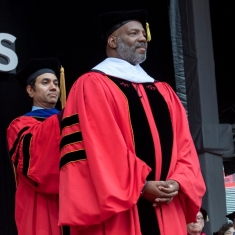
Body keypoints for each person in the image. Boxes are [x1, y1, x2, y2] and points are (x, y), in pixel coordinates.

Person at [58, 9, 206, 235]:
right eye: (133, 33)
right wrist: (141, 185)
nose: (142, 38)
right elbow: (100, 147)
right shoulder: (92, 85)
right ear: (112, 40)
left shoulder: (163, 91)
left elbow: (185, 146)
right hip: (122, 207)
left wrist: (178, 181)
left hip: (167, 205)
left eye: (143, 35)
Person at [6, 58, 69, 235]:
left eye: (56, 83)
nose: (53, 87)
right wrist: (67, 116)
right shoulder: (19, 125)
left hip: (75, 201)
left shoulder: (71, 120)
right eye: (45, 82)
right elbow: (37, 162)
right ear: (30, 90)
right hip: (41, 204)